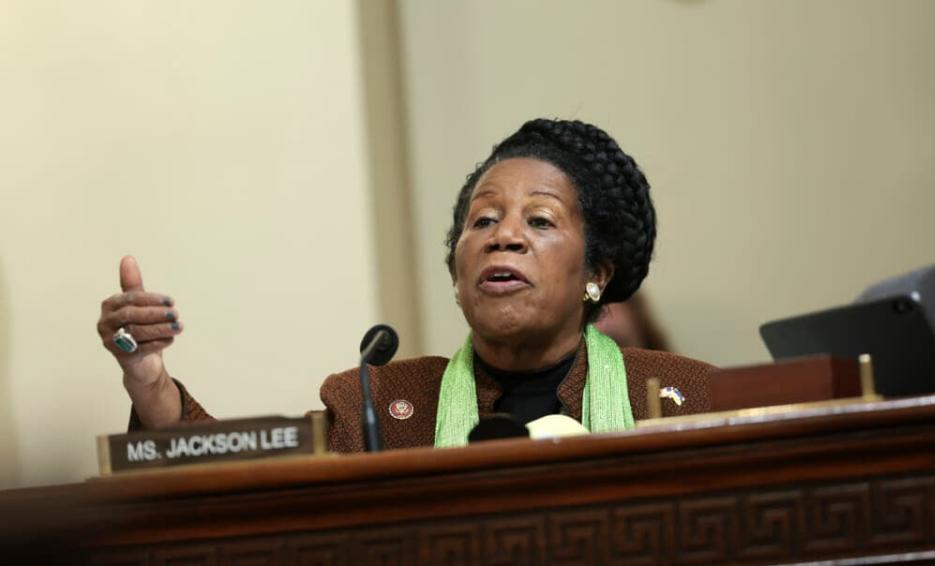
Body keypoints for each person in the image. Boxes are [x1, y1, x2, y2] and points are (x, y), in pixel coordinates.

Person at [97, 118, 713, 453]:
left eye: (541, 220)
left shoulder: (680, 395)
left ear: (596, 276)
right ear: (457, 272)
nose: (504, 236)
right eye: (484, 220)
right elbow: (238, 474)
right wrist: (151, 384)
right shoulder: (380, 406)